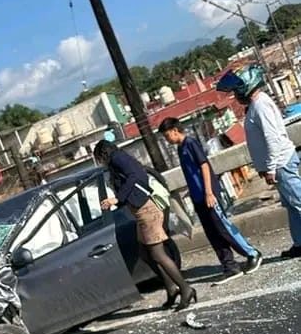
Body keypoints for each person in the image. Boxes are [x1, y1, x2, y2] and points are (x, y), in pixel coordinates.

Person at [93, 139, 196, 311]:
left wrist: (118, 198)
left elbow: (137, 175)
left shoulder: (118, 157)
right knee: (144, 252)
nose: (100, 162)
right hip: (140, 212)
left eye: (99, 158)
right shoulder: (115, 161)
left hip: (147, 211)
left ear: (103, 153)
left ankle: (185, 289)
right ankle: (171, 288)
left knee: (158, 254)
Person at [159, 117, 263, 285]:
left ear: (174, 131)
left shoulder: (191, 143)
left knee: (223, 228)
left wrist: (208, 192)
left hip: (208, 194)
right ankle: (230, 266)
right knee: (212, 233)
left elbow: (204, 166)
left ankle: (252, 253)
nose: (167, 140)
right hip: (197, 197)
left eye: (166, 136)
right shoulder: (180, 149)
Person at [217, 64, 301, 258]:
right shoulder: (256, 104)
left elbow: (272, 138)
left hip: (281, 163)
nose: (236, 94)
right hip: (278, 164)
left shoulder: (260, 104)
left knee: (298, 203)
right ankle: (299, 243)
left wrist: (270, 168)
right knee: (292, 207)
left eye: (237, 88)